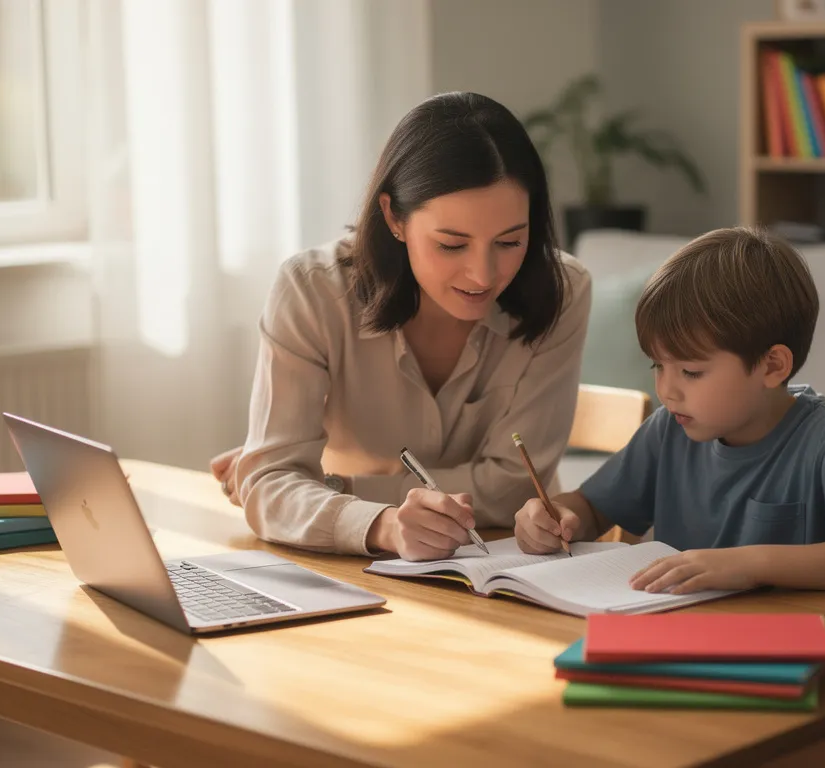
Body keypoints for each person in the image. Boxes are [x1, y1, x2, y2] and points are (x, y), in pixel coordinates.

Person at [212, 91, 592, 562]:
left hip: (509, 565)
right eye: (452, 245)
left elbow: (512, 487)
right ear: (394, 217)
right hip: (355, 569)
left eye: (510, 241)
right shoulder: (311, 290)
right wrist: (384, 525)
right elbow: (270, 486)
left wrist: (333, 487)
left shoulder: (563, 290)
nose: (483, 275)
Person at [512, 226, 825, 595]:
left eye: (690, 371)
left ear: (772, 366)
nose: (667, 390)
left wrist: (752, 563)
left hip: (787, 649)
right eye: (658, 365)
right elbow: (595, 507)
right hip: (679, 639)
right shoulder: (667, 431)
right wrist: (556, 517)